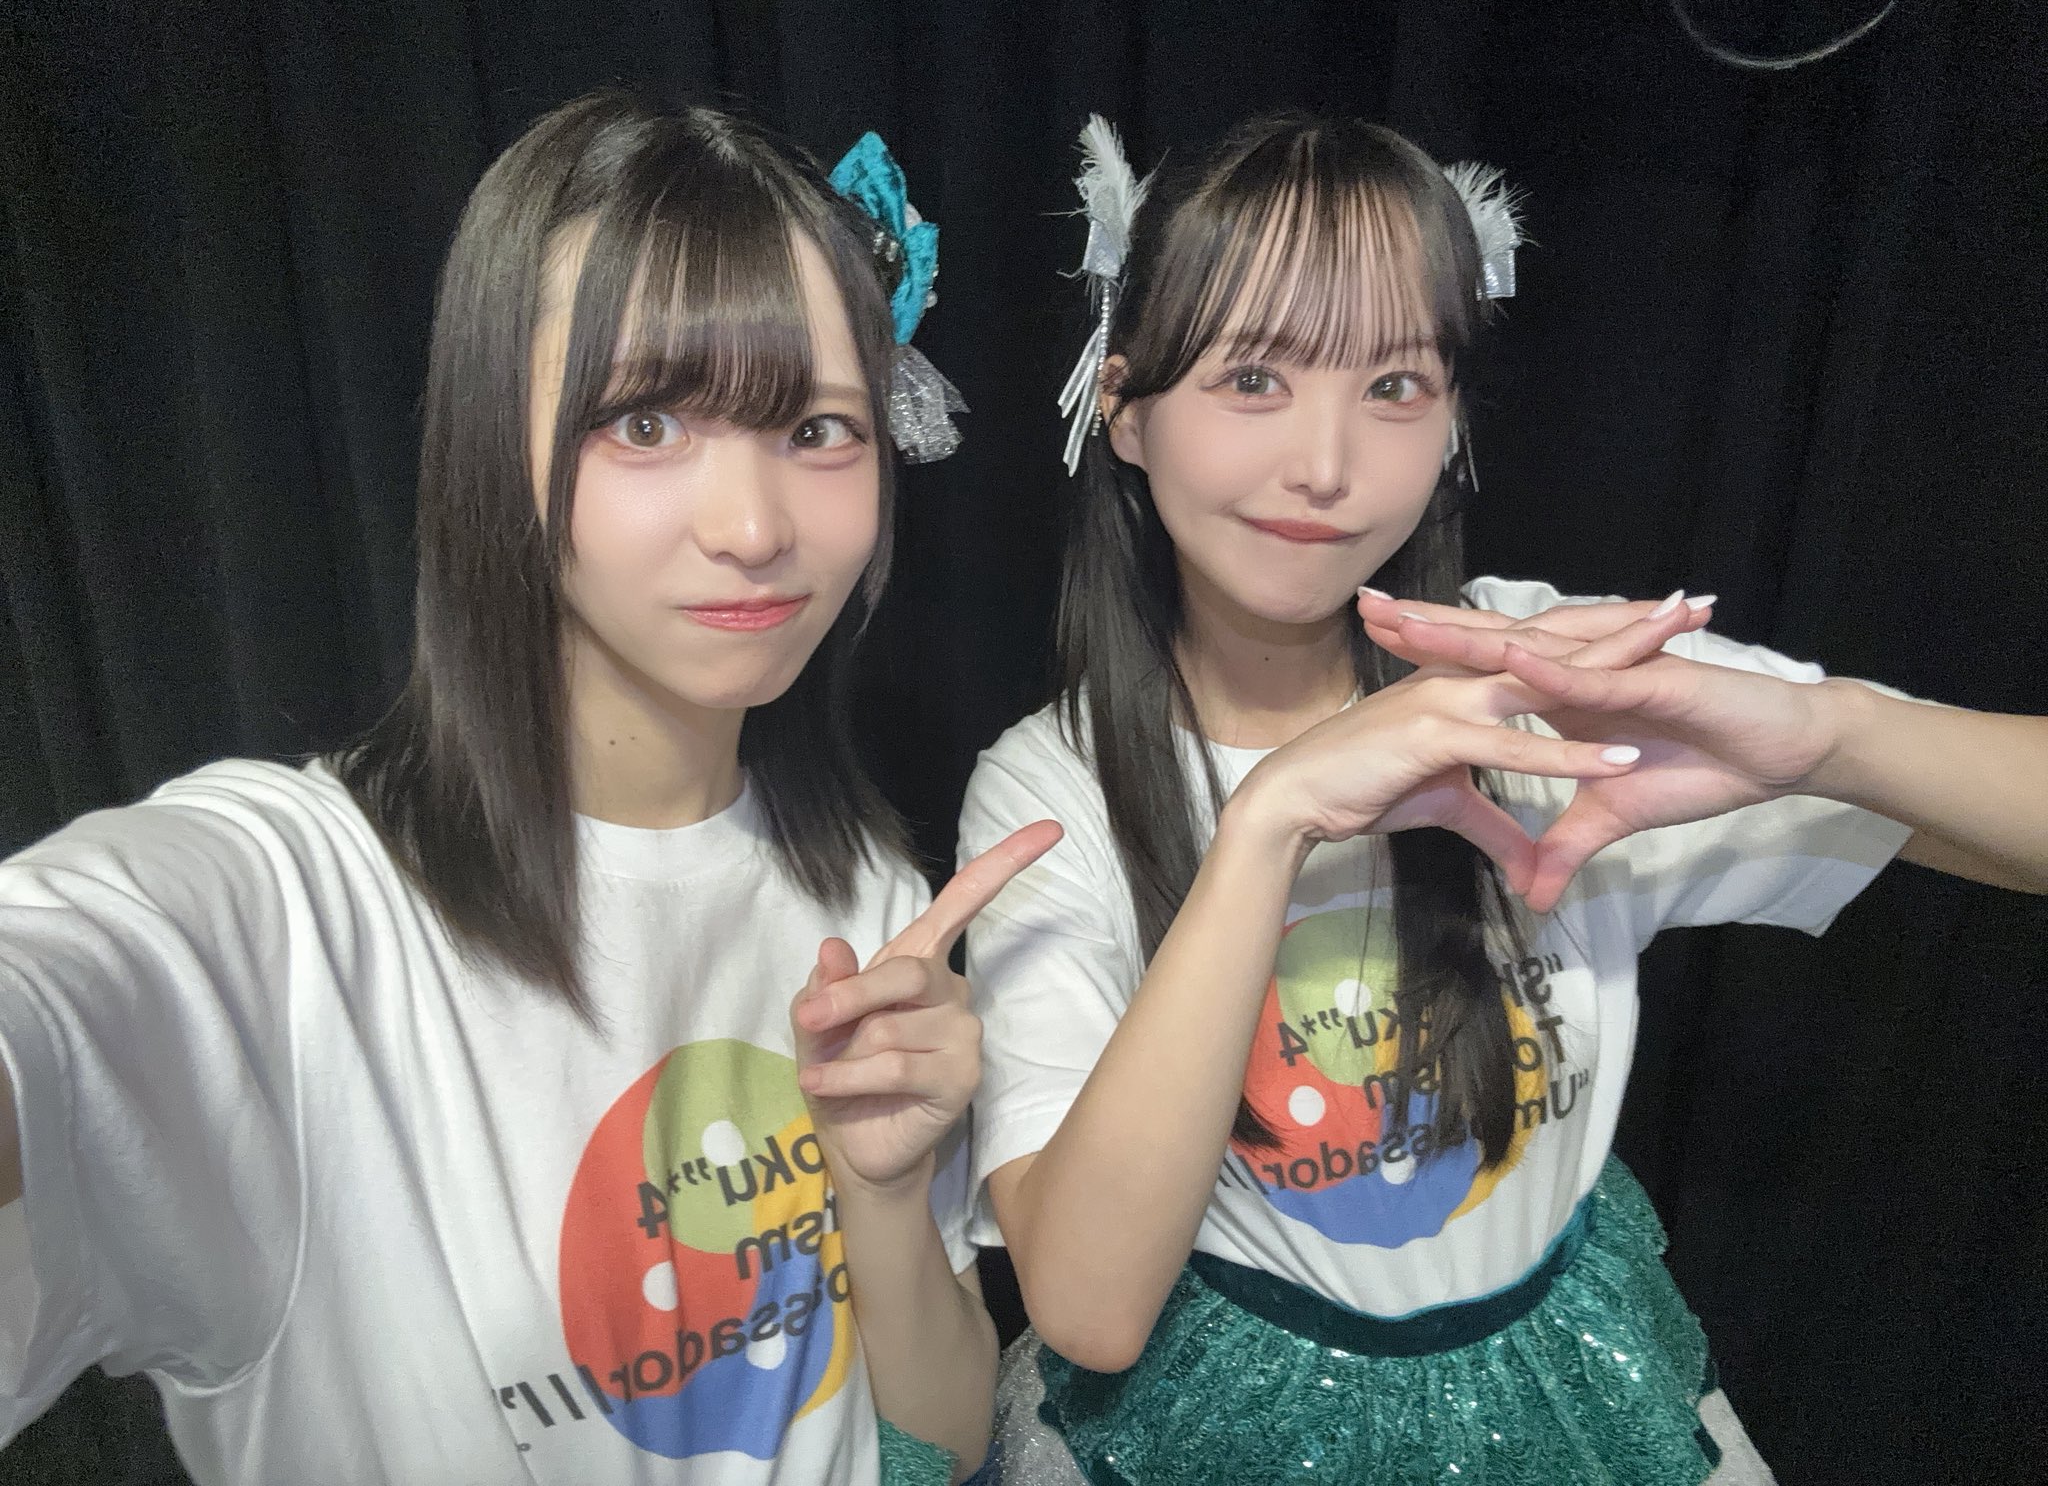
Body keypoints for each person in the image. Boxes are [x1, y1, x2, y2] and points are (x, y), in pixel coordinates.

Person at [958, 112, 2048, 1484]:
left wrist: (1825, 736)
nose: (1326, 464)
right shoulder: (1049, 790)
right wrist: (1270, 820)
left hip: (1572, 1382)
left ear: (1453, 419)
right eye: (1253, 376)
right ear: (1122, 406)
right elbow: (1089, 1308)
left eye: (1395, 385)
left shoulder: (1549, 675)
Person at [0, 90, 1050, 1486]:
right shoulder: (290, 912)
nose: (754, 527)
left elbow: (947, 1442)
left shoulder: (865, 895)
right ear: (493, 443)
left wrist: (884, 1192)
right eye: (646, 423)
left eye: (816, 428)